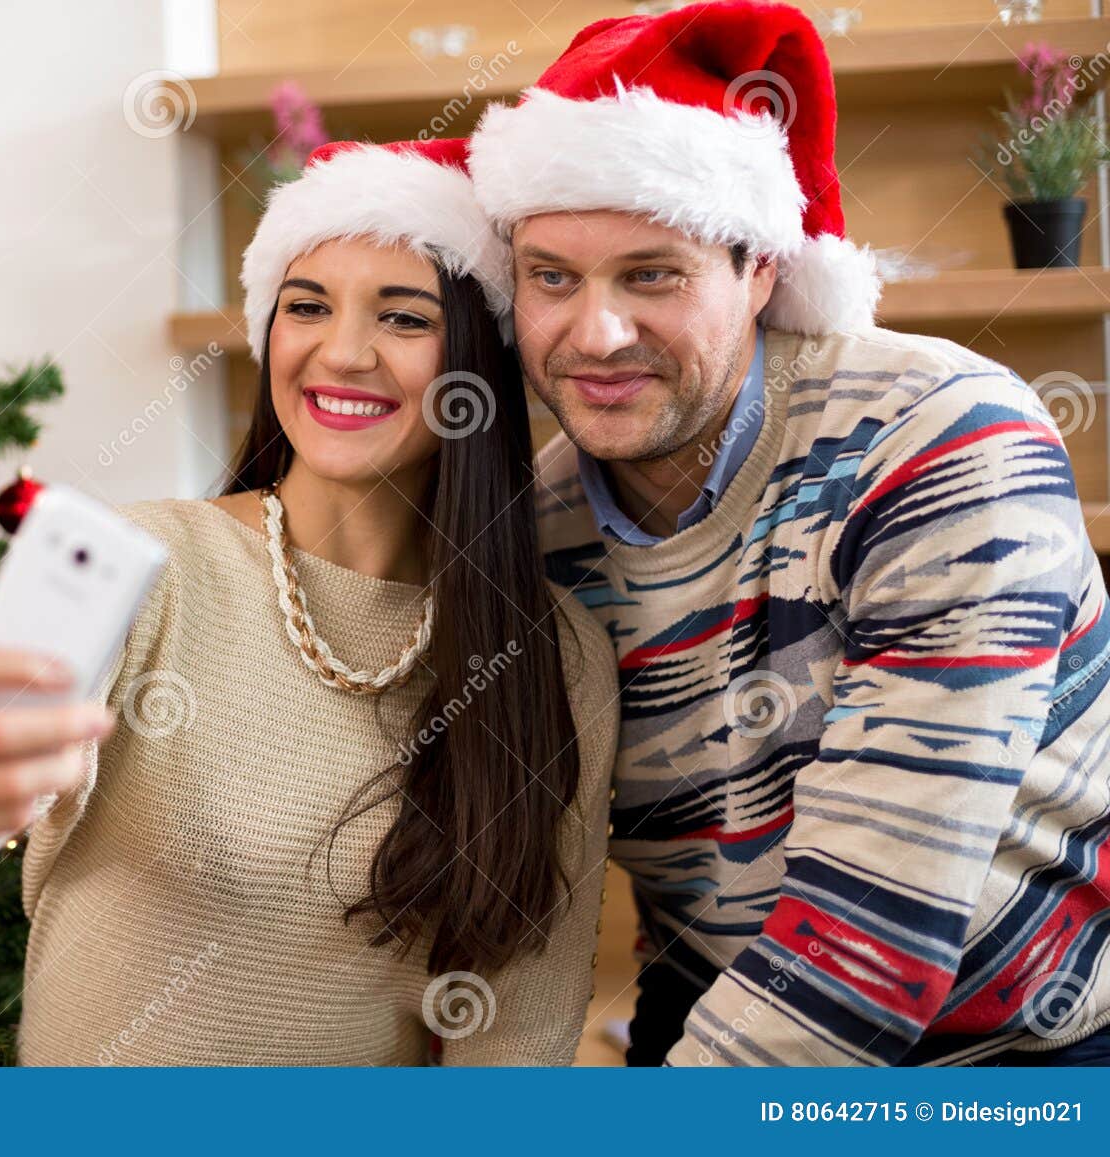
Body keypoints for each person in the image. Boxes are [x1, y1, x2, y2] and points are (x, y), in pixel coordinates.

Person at [0, 138, 619, 1065]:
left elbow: (517, 1044)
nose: (342, 352)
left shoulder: (554, 657)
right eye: (306, 306)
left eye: (404, 319)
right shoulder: (149, 568)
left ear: (479, 367)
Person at [467, 0, 1110, 1066]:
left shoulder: (941, 436)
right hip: (719, 1010)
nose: (596, 333)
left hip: (1030, 1045)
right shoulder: (532, 527)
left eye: (651, 273)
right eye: (552, 277)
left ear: (760, 267)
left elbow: (872, 929)